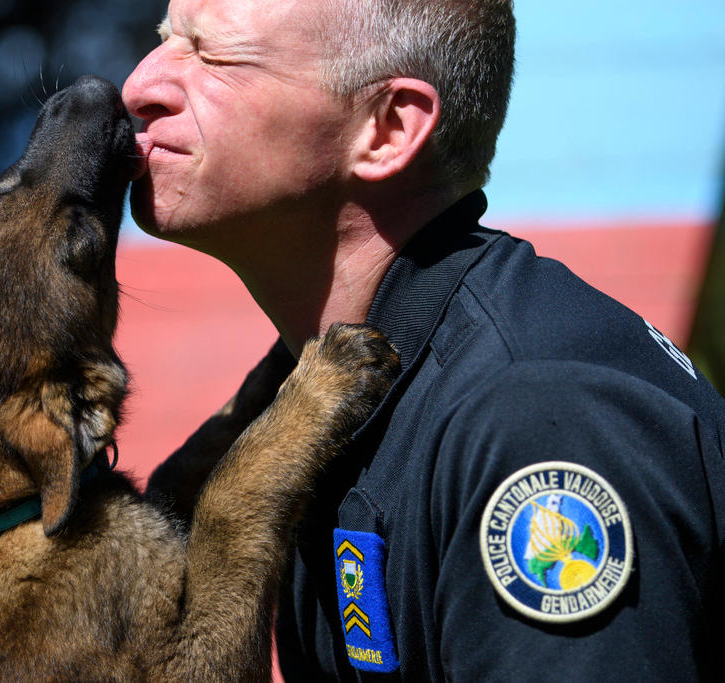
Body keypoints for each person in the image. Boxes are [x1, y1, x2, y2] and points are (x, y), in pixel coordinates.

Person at [123, 0, 725, 680]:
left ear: (387, 129)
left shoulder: (537, 420)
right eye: (164, 38)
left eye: (214, 57)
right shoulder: (334, 398)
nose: (140, 85)